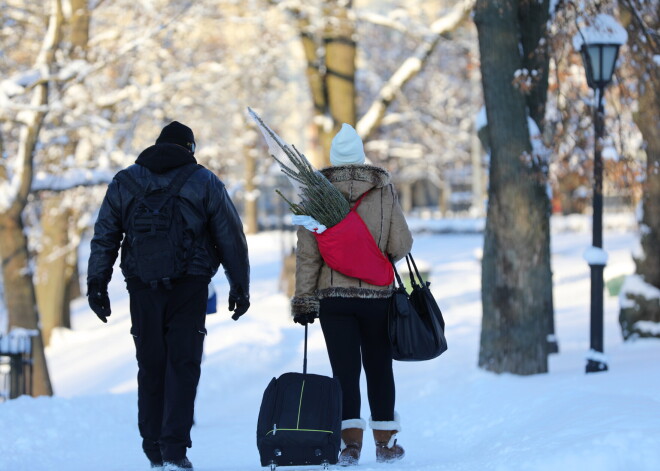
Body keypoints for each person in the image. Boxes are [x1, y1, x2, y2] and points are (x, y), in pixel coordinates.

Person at [87, 121, 250, 471]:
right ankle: (175, 449)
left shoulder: (125, 181)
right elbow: (229, 234)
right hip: (190, 284)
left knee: (150, 365)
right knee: (183, 363)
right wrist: (240, 286)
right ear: (189, 149)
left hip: (142, 285)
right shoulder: (203, 180)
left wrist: (96, 284)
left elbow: (105, 236)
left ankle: (152, 447)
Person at [290, 123, 413, 466]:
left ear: (332, 159)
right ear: (361, 157)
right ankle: (385, 444)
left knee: (344, 371)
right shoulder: (383, 190)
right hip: (379, 299)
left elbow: (308, 254)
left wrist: (304, 299)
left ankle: (350, 446)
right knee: (379, 367)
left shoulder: (316, 195)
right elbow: (400, 244)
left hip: (334, 300)